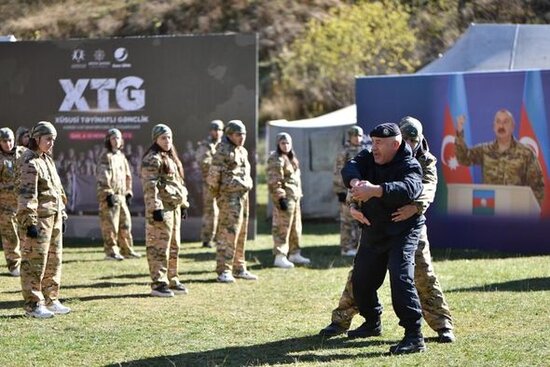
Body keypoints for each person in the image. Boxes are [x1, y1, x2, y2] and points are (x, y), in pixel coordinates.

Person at [320, 117, 455, 344]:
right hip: (380, 224)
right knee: (360, 276)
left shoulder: (424, 160)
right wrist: (354, 203)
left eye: (414, 139)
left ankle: (442, 325)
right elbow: (358, 176)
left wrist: (415, 207)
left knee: (421, 275)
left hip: (409, 224)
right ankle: (342, 320)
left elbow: (426, 187)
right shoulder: (377, 153)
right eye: (407, 138)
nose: (410, 143)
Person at [340, 122, 426, 354]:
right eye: (373, 141)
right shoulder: (369, 156)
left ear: (395, 144)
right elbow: (350, 167)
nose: (374, 147)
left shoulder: (410, 163)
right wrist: (356, 184)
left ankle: (414, 336)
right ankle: (372, 321)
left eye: (379, 143)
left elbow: (410, 188)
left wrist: (376, 190)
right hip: (374, 229)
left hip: (402, 231)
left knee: (400, 278)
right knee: (361, 280)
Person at [17, 121, 70, 318]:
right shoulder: (29, 162)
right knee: (34, 262)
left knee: (54, 261)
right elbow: (26, 195)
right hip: (38, 220)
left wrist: (62, 214)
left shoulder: (46, 159)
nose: (51, 143)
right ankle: (33, 303)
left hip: (53, 217)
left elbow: (58, 190)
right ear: (36, 138)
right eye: (48, 139)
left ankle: (51, 298)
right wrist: (29, 222)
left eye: (53, 140)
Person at [456, 109, 545, 205]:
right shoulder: (484, 150)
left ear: (512, 127)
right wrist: (459, 132)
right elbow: (463, 158)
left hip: (516, 211)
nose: (501, 126)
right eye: (498, 122)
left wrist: (528, 210)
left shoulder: (526, 153)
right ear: (494, 127)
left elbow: (538, 186)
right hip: (490, 209)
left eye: (505, 122)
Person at [141, 124, 190, 297]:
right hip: (162, 209)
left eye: (169, 137)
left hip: (174, 208)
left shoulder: (171, 158)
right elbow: (150, 186)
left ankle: (172, 279)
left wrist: (184, 204)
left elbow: (179, 184)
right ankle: (158, 284)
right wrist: (156, 208)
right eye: (163, 138)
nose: (167, 141)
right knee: (159, 247)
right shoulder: (152, 158)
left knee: (174, 246)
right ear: (156, 139)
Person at [207, 120, 258, 283]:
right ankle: (224, 270)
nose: (242, 137)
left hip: (242, 196)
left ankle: (239, 267)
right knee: (227, 233)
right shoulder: (222, 150)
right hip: (228, 197)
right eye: (238, 134)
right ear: (229, 135)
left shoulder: (242, 151)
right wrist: (219, 196)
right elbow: (213, 176)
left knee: (241, 232)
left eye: (243, 134)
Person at [96, 128, 141, 261]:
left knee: (125, 224)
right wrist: (107, 193)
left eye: (118, 138)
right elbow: (103, 176)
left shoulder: (121, 156)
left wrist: (128, 192)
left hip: (121, 196)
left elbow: (128, 176)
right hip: (110, 196)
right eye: (113, 138)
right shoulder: (105, 156)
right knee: (110, 225)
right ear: (108, 141)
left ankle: (126, 249)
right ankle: (111, 251)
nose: (116, 141)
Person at [267, 132, 310, 268]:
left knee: (295, 227)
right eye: (282, 143)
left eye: (288, 143)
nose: (285, 146)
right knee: (282, 227)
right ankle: (280, 256)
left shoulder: (291, 157)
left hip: (295, 197)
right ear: (278, 144)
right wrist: (280, 198)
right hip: (285, 199)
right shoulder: (276, 158)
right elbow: (274, 181)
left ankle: (294, 253)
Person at [333, 126, 367, 257]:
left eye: (360, 136)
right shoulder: (344, 152)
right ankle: (346, 247)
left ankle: (358, 245)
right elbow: (338, 171)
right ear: (350, 137)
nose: (358, 138)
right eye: (355, 136)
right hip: (347, 191)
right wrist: (340, 191)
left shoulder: (365, 150)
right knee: (347, 220)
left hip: (362, 191)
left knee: (360, 219)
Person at [195, 120, 224, 248]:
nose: (217, 132)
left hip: (224, 184)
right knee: (210, 211)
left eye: (219, 130)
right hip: (210, 184)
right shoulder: (205, 145)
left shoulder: (225, 145)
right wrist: (220, 167)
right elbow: (204, 163)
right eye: (214, 130)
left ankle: (220, 238)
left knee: (225, 211)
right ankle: (207, 239)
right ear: (210, 131)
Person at [0, 127, 25, 276]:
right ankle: (14, 265)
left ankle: (25, 263)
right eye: (4, 141)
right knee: (11, 235)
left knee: (24, 233)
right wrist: (10, 185)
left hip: (22, 202)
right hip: (5, 205)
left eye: (10, 140)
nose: (8, 144)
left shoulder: (21, 153)